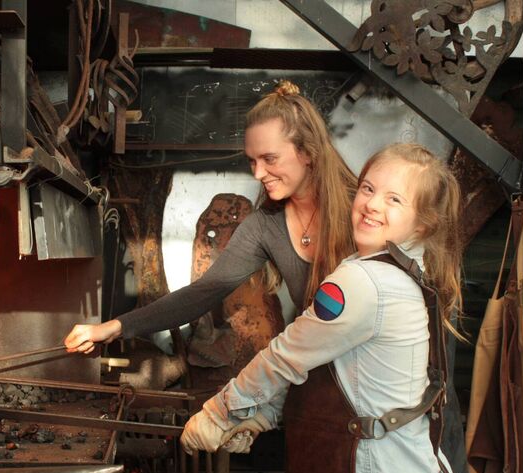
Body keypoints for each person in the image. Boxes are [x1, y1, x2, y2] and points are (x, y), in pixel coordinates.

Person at [180, 143, 466, 473]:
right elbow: (333, 369)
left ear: (423, 223)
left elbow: (285, 356)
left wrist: (220, 413)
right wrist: (263, 415)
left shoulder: (364, 281)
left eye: (394, 199)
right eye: (367, 189)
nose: (372, 204)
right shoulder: (400, 272)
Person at [64, 79, 356, 358]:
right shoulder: (265, 225)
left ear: (306, 152)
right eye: (252, 161)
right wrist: (115, 327)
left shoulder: (363, 209)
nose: (257, 173)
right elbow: (205, 292)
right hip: (321, 367)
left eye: (270, 159)